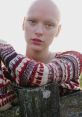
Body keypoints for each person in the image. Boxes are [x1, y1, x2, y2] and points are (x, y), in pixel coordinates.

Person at [0, 0, 82, 111]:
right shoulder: (7, 72)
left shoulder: (73, 60)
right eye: (32, 21)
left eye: (49, 25)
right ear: (23, 23)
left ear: (58, 30)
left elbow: (36, 74)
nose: (39, 31)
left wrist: (3, 46)